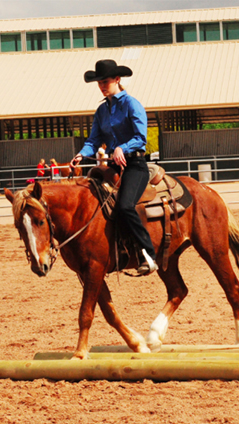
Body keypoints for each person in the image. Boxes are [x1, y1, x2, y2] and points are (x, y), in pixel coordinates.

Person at [70, 59, 158, 275]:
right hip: (113, 167)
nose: (102, 85)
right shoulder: (101, 111)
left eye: (106, 81)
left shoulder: (132, 104)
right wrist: (82, 154)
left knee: (125, 205)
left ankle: (148, 254)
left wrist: (121, 147)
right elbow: (93, 141)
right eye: (99, 82)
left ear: (117, 80)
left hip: (135, 165)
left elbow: (141, 137)